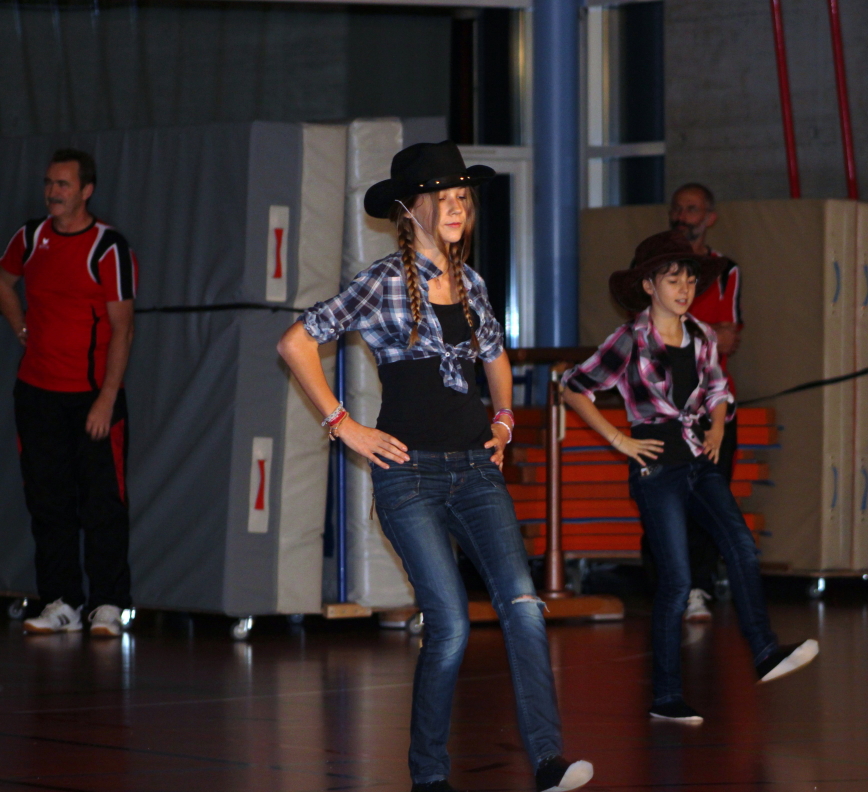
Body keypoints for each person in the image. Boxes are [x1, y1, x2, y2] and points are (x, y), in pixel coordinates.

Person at [277, 141, 592, 792]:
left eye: (462, 197)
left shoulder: (471, 282)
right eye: (442, 197)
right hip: (409, 476)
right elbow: (296, 342)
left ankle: (548, 762)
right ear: (409, 208)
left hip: (476, 469)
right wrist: (345, 427)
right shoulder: (383, 280)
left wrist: (504, 421)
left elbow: (496, 356)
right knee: (448, 624)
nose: (456, 208)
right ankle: (428, 775)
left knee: (525, 607)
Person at [561, 230, 819, 724]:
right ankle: (665, 698)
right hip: (657, 466)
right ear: (648, 286)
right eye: (672, 279)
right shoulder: (630, 339)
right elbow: (573, 387)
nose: (684, 289)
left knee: (741, 548)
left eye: (690, 280)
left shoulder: (701, 334)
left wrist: (718, 426)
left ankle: (765, 652)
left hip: (700, 460)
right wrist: (619, 440)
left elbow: (719, 389)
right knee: (677, 581)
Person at [0, 149, 137, 638]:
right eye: (48, 183)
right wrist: (20, 326)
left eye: (62, 184)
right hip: (38, 394)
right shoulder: (30, 237)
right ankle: (62, 602)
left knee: (102, 504)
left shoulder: (108, 247)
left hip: (91, 397)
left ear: (86, 191)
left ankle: (108, 604)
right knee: (48, 501)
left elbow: (123, 329)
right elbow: (4, 281)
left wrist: (106, 399)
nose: (52, 192)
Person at [653, 182, 745, 623]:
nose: (682, 216)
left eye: (691, 210)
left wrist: (698, 332)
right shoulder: (651, 264)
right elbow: (657, 329)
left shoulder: (726, 270)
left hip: (712, 407)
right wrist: (703, 332)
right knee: (663, 499)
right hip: (666, 407)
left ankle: (700, 586)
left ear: (709, 218)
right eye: (677, 208)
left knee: (710, 497)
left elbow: (729, 336)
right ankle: (669, 586)